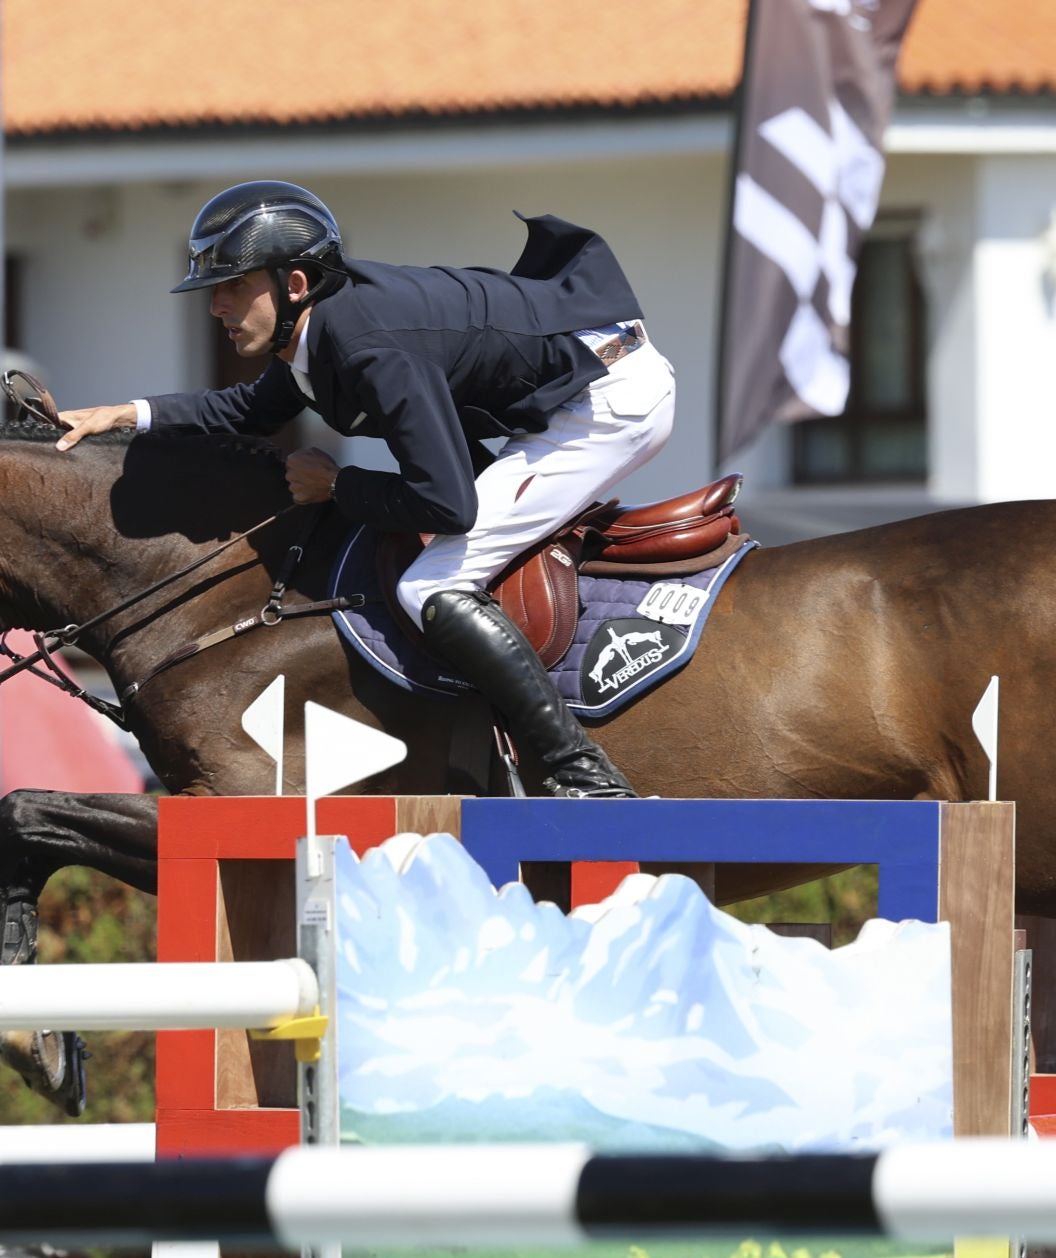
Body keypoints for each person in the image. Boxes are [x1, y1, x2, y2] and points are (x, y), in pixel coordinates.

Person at [57, 180, 674, 798]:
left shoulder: (370, 347)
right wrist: (123, 414)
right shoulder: (323, 327)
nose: (216, 306)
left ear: (295, 285)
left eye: (234, 286)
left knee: (431, 582)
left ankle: (583, 772)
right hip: (574, 385)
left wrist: (338, 486)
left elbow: (447, 505)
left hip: (607, 403)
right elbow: (249, 408)